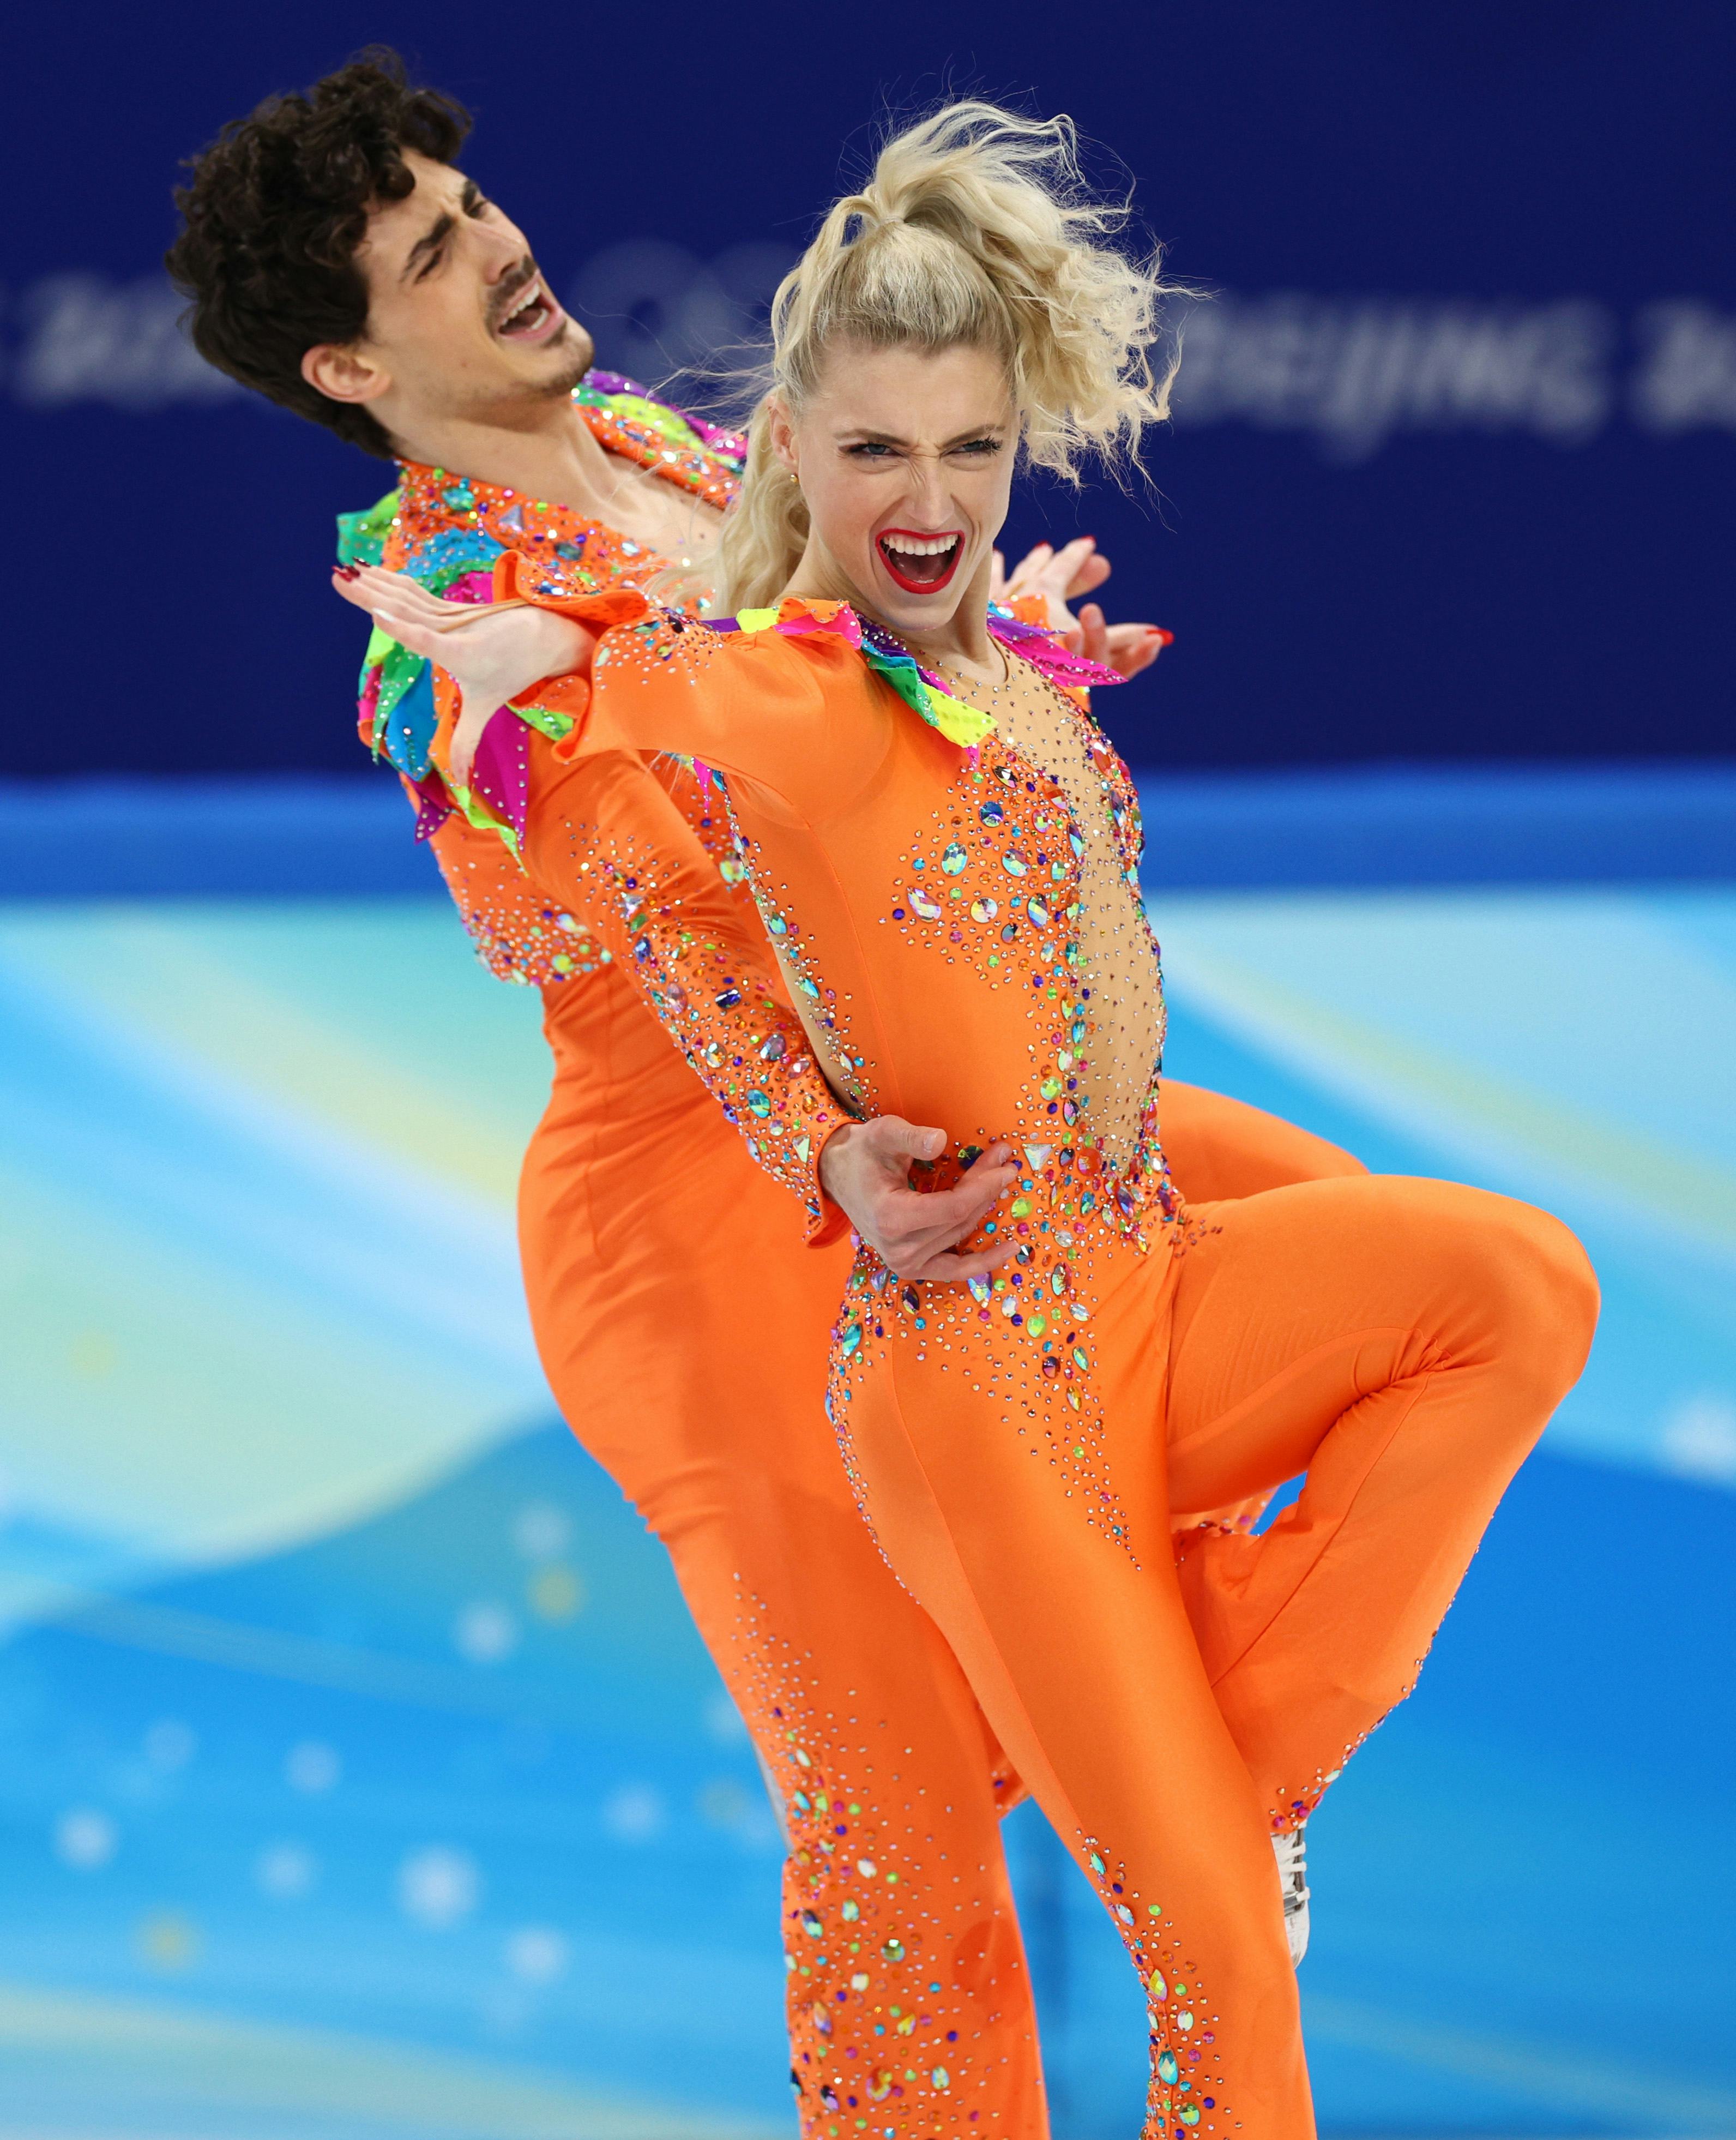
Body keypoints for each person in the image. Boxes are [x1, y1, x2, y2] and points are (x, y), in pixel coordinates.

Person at [338, 99, 1601, 2136]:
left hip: (938, 1094)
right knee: (894, 1816)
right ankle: (1150, 1835)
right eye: (426, 256)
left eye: (474, 203)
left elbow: (857, 684)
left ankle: (1207, 1770)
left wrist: (1007, 654)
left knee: (1365, 1244)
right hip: (708, 1196)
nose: (495, 246)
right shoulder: (440, 631)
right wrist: (814, 1143)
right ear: (351, 368)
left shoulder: (677, 448)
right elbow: (668, 914)